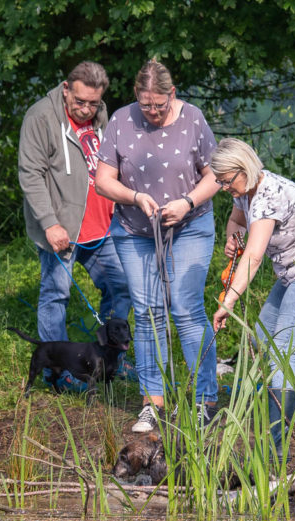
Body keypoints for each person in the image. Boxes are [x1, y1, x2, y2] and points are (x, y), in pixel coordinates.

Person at [96, 60, 220, 433]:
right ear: (137, 95)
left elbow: (216, 173)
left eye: (159, 105)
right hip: (135, 232)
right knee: (148, 315)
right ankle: (153, 401)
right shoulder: (120, 121)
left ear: (173, 94)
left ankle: (205, 399)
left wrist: (187, 203)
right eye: (146, 104)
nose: (152, 112)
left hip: (190, 226)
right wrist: (134, 196)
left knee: (186, 309)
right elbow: (104, 180)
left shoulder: (194, 119)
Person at [209, 138, 295, 459]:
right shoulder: (245, 192)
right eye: (220, 181)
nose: (224, 187)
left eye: (227, 180)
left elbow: (253, 258)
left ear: (244, 169)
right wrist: (232, 238)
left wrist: (227, 302)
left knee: (282, 353)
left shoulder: (268, 196)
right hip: (291, 273)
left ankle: (276, 449)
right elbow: (237, 222)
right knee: (262, 340)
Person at [18, 61, 133, 391]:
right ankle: (62, 372)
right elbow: (31, 175)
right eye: (80, 101)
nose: (86, 109)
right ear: (66, 89)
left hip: (103, 227)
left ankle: (109, 361)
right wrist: (50, 224)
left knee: (120, 287)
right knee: (56, 295)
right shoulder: (40, 117)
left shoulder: (101, 113)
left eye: (93, 103)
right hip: (62, 230)